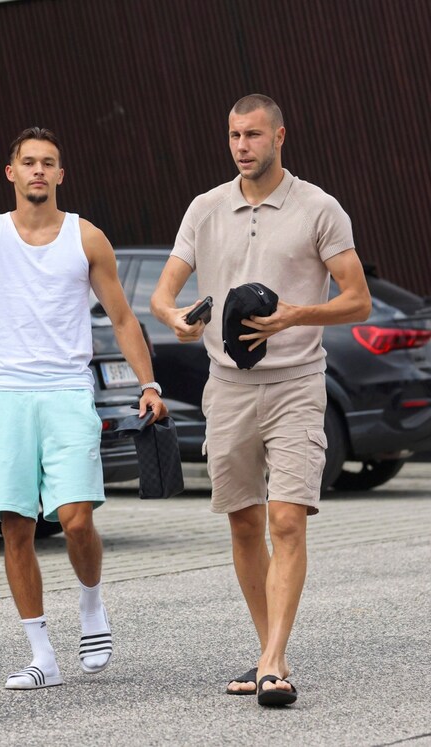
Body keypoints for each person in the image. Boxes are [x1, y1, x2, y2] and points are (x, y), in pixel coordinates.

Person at [0, 49, 167, 690]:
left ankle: (91, 604)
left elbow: (122, 318)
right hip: (6, 395)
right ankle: (41, 655)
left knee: (77, 518)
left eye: (47, 162)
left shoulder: (86, 237)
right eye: (27, 161)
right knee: (17, 526)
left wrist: (149, 383)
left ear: (61, 172)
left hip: (65, 392)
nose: (38, 170)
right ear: (11, 172)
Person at [151, 94, 371, 706]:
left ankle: (273, 660)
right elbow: (164, 293)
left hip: (297, 384)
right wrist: (178, 318)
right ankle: (268, 652)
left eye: (252, 135)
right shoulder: (205, 208)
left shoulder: (319, 208)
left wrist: (295, 315)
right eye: (232, 136)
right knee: (245, 523)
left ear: (280, 136)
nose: (241, 146)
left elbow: (358, 300)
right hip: (227, 387)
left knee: (286, 519)